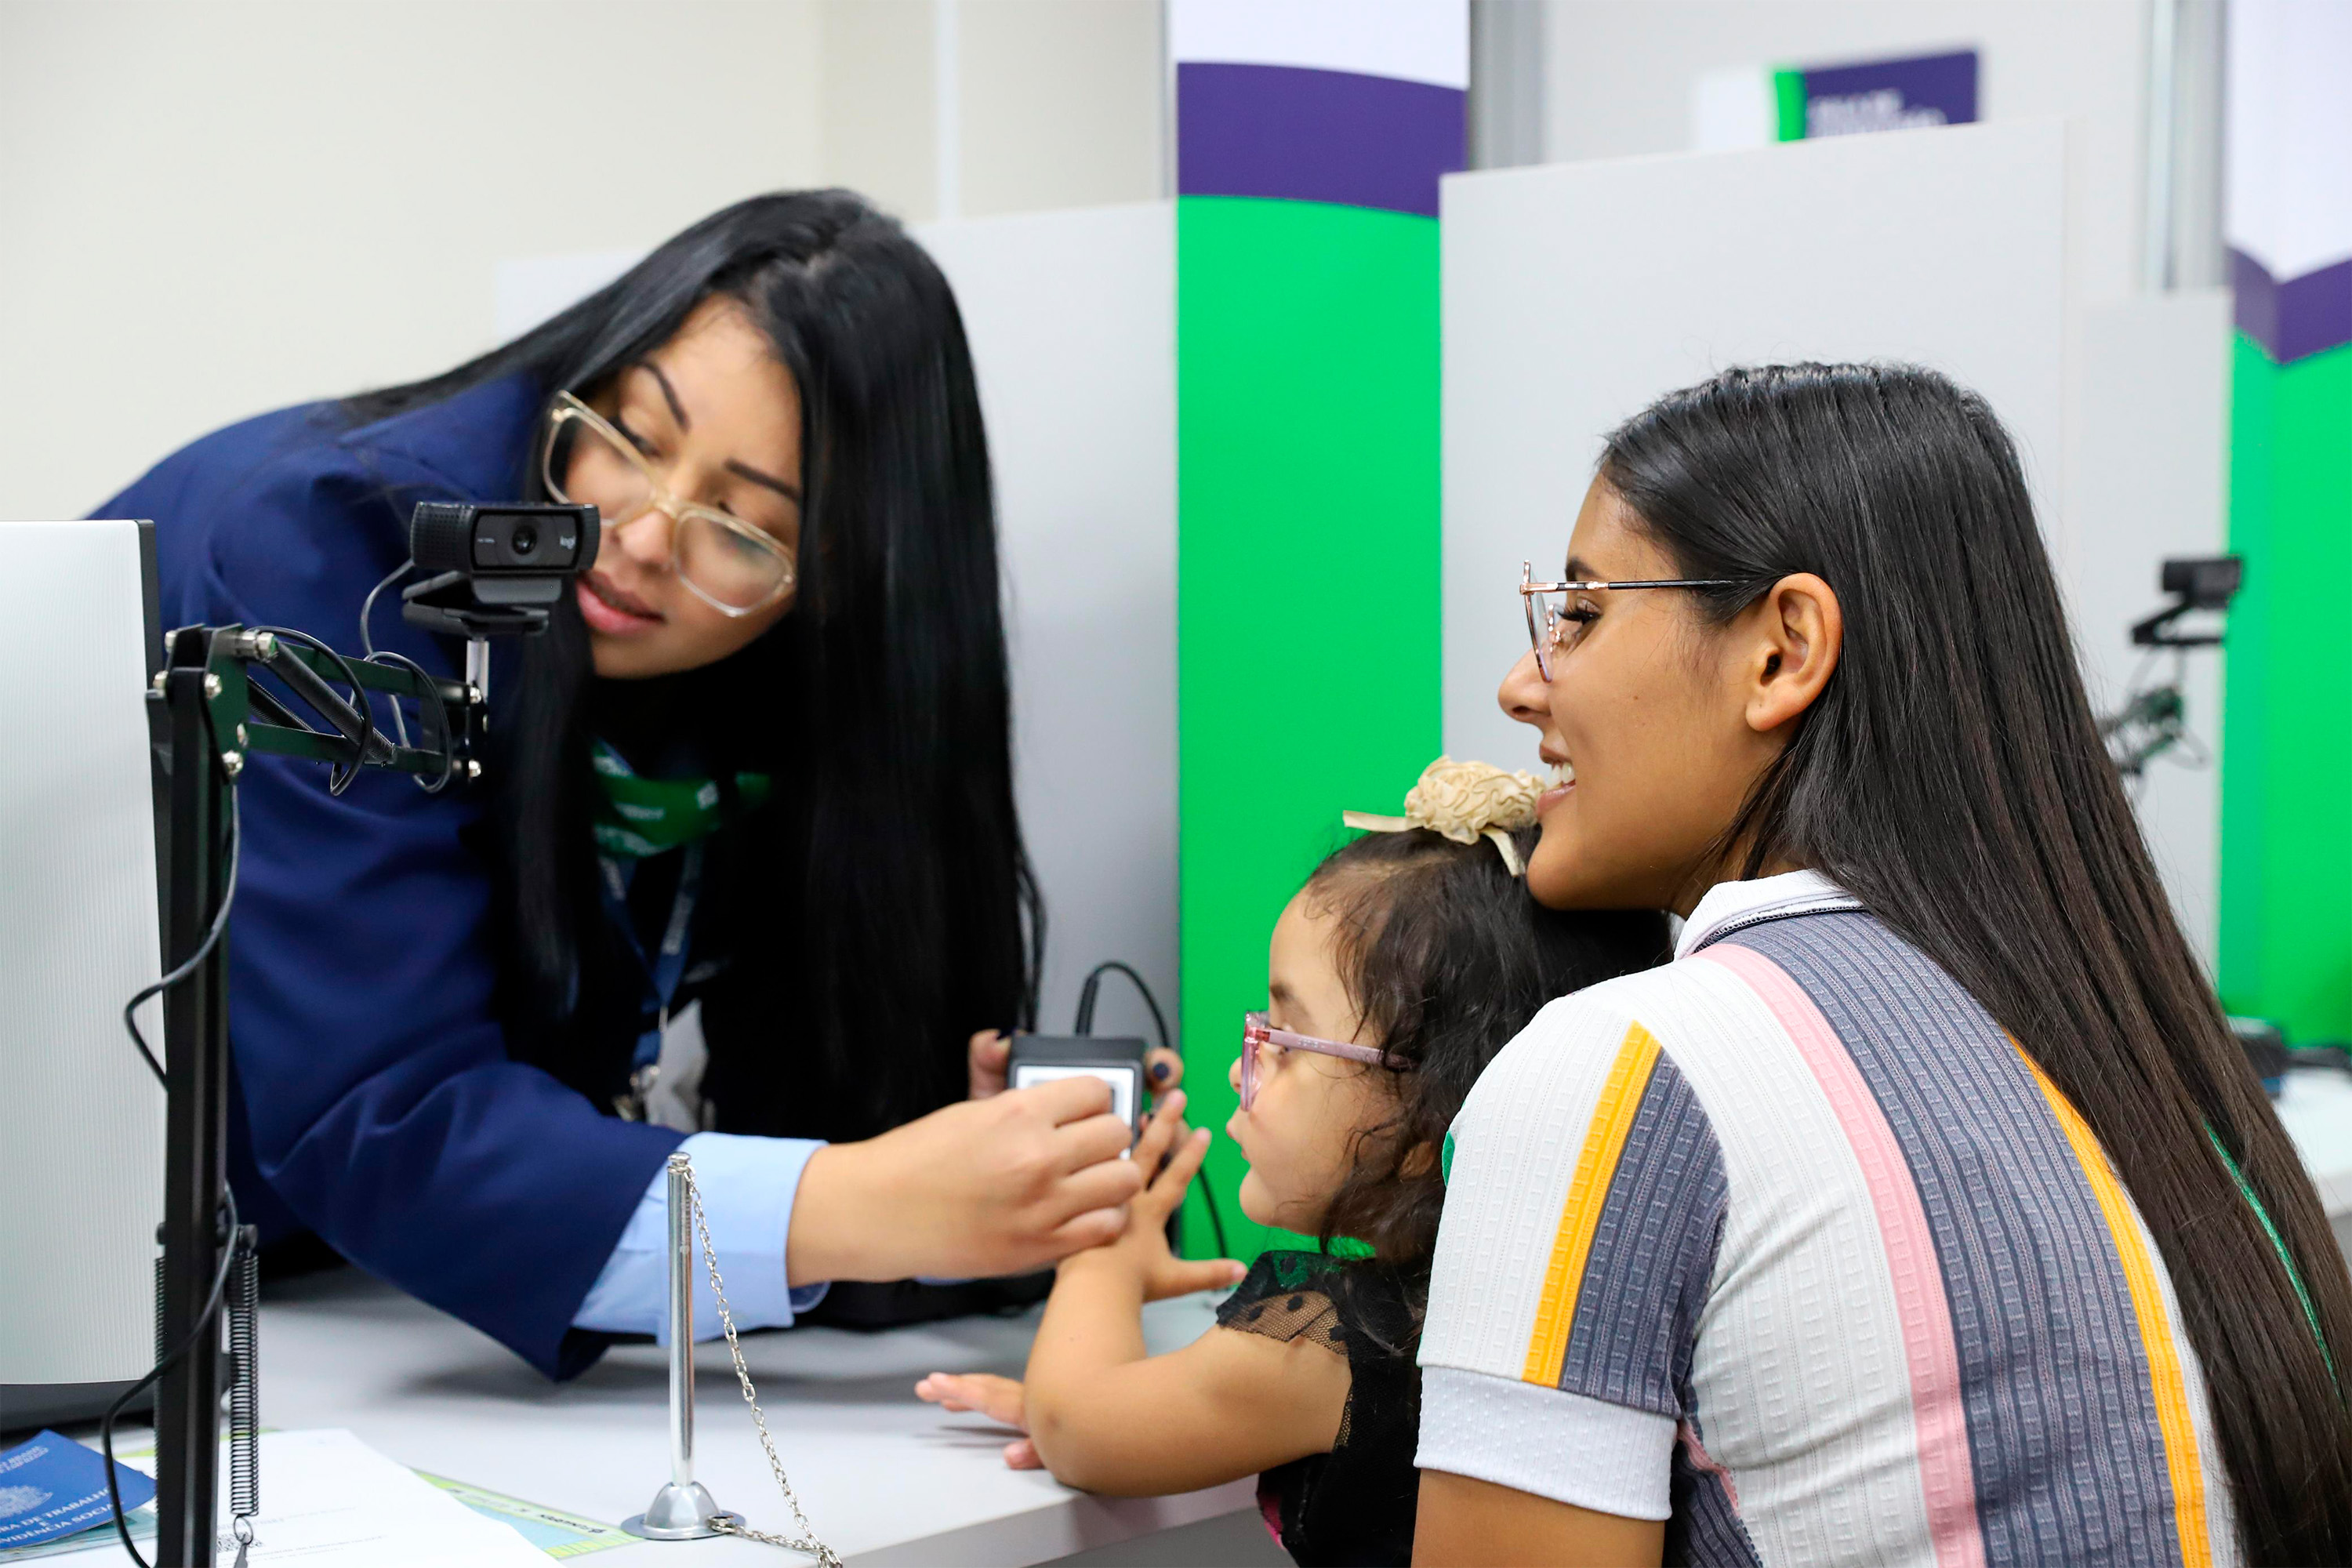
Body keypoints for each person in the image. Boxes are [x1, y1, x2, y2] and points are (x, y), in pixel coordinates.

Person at [103, 190, 1177, 1379]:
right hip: (87, 1243)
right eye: (631, 433)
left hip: (305, 1281)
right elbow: (382, 1119)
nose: (647, 535)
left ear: (839, 580)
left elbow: (807, 1132)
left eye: (744, 524)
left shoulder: (772, 683)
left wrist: (996, 1189)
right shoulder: (332, 556)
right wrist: (866, 1201)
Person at [1414, 364, 2352, 1565]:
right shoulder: (2128, 1048)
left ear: (1782, 652)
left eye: (1582, 615)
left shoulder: (1624, 1071)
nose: (1522, 685)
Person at [913, 760, 1669, 1566]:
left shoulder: (1333, 1342)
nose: (1241, 1069)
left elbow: (1076, 1430)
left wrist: (1106, 1244)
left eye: (1284, 1040)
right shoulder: (1565, 1303)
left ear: (1435, 1122)